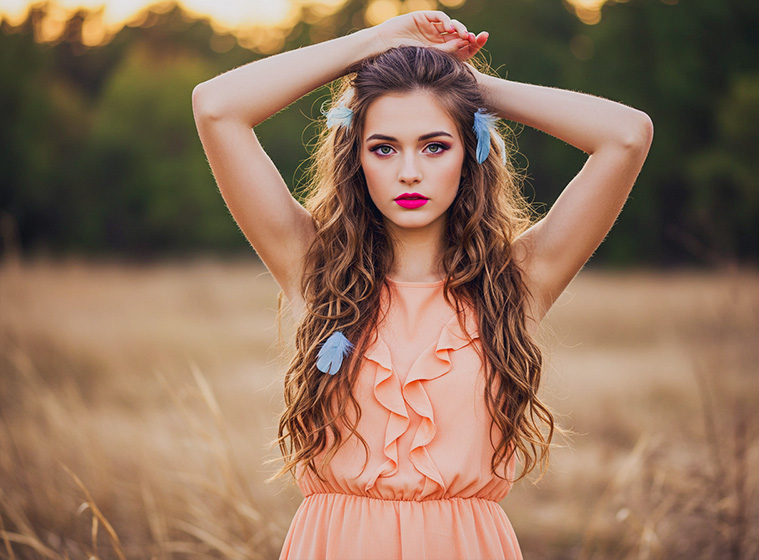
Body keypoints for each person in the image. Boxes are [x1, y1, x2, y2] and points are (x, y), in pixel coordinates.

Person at [192, 10, 652, 560]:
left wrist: (463, 88)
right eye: (384, 148)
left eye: (435, 145)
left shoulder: (518, 281)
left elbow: (626, 136)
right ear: (356, 160)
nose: (409, 171)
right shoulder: (313, 268)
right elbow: (216, 108)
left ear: (470, 152)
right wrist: (379, 43)